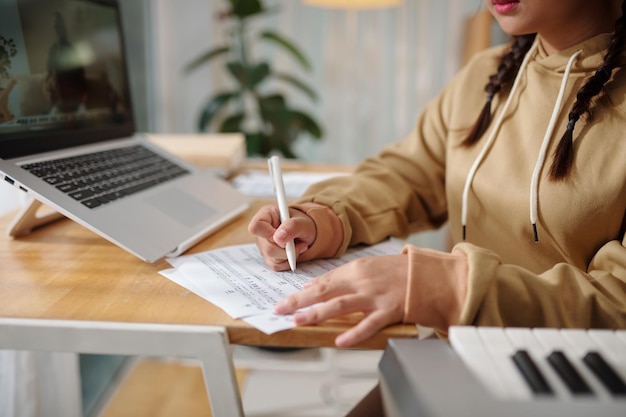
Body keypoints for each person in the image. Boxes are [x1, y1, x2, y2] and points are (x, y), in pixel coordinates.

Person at [249, 0, 626, 350]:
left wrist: (443, 287)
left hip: (572, 374)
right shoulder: (488, 74)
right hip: (461, 350)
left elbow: (618, 301)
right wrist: (322, 219)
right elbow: (408, 174)